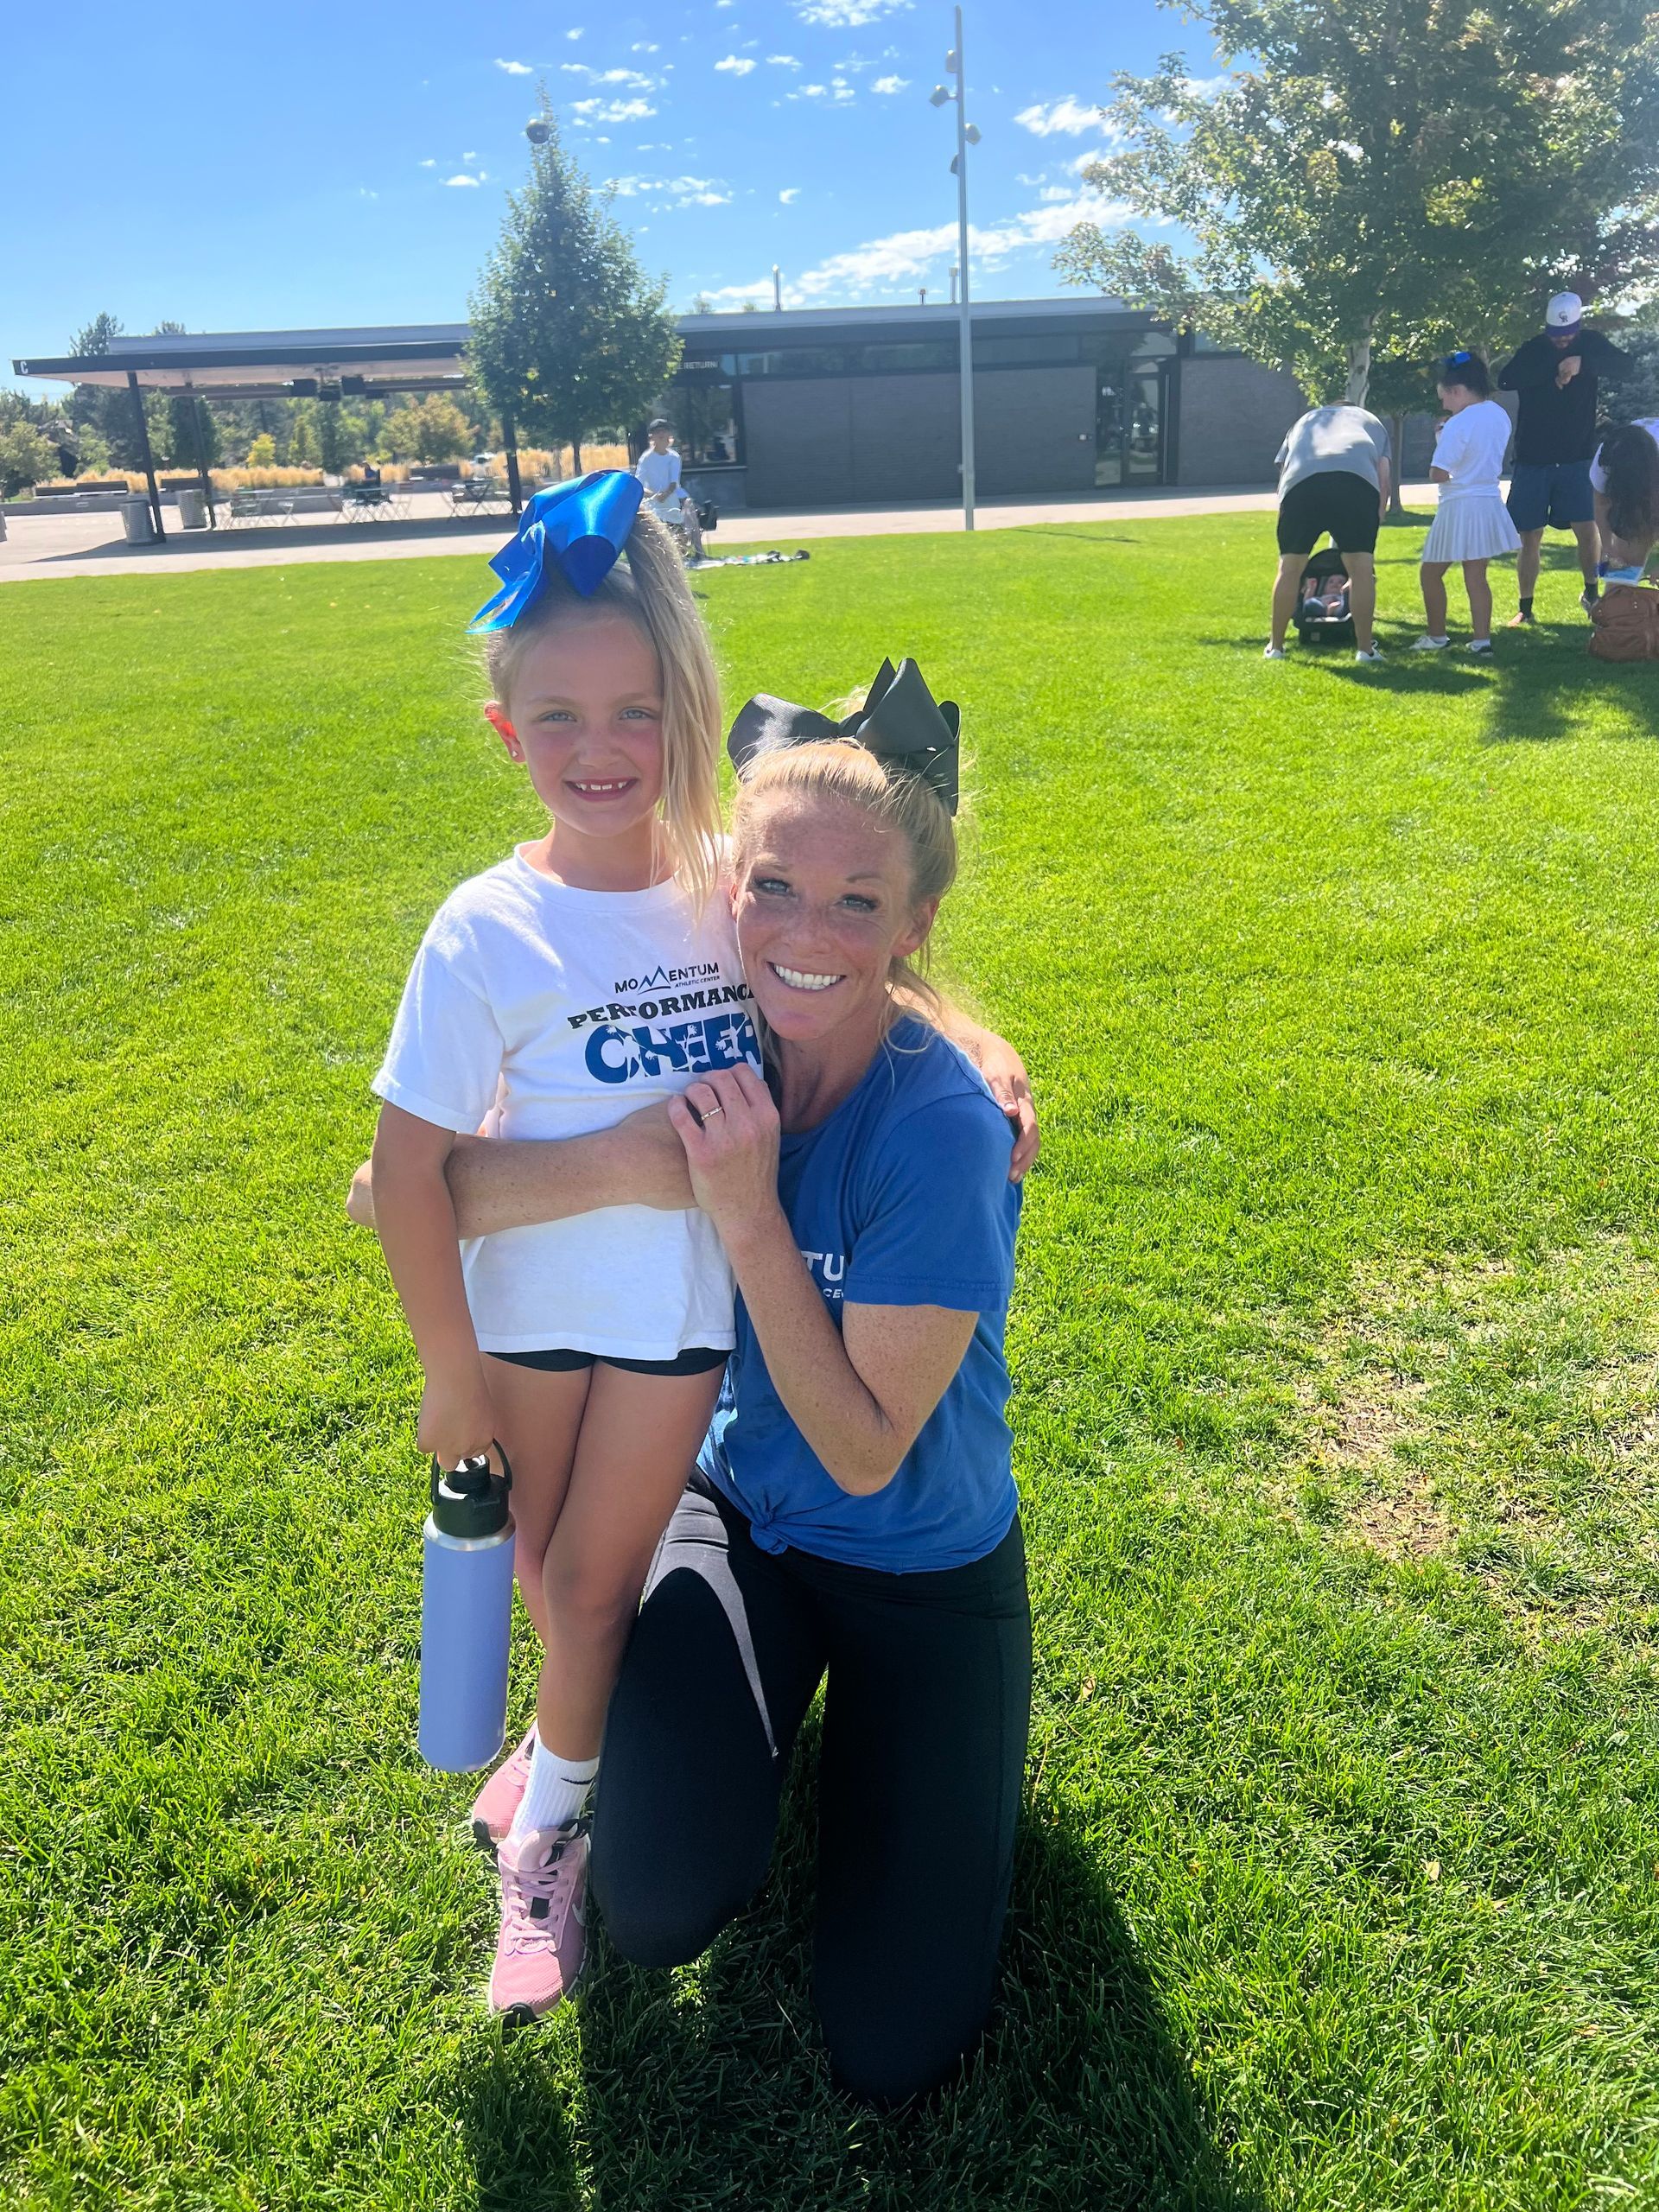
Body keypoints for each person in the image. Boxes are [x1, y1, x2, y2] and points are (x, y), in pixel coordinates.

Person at [351, 624, 1039, 2032]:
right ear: (725, 895)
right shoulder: (709, 1022)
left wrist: (747, 1210)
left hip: (919, 1555)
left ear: (914, 924)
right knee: (657, 1905)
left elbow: (859, 1452)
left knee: (889, 2039)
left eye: (859, 907)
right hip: (734, 1521)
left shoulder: (948, 1133)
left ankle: (885, 1761)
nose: (801, 934)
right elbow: (397, 1191)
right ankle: (636, 1760)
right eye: (769, 888)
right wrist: (615, 1164)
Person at [1498, 291, 1633, 624]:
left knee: (1587, 528)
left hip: (1576, 457)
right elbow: (1505, 379)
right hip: (1533, 459)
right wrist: (1552, 370)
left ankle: (1592, 594)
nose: (1562, 341)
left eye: (1568, 335)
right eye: (1556, 336)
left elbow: (1626, 367)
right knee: (1529, 535)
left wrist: (1583, 364)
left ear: (1578, 326)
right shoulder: (1534, 349)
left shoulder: (1591, 344)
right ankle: (1525, 609)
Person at [1265, 400, 1391, 662]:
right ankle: (1365, 651)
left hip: (1301, 487)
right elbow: (1384, 477)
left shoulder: (1304, 420)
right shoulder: (1371, 422)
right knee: (1361, 570)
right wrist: (1376, 514)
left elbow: (1284, 470)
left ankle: (1275, 648)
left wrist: (1285, 511)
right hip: (1356, 485)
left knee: (1289, 569)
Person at [1413, 353, 1520, 656]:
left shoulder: (1457, 425)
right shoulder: (1499, 414)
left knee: (1430, 573)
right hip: (1487, 501)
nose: (1444, 405)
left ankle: (1436, 636)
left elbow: (1439, 473)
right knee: (1476, 575)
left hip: (1459, 504)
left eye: (1444, 397)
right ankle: (1481, 641)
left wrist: (1441, 440)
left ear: (1457, 391)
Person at [1586, 422, 1659, 662]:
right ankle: (1618, 627)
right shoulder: (1605, 460)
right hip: (1641, 491)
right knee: (1623, 560)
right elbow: (1601, 503)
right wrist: (1607, 545)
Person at [635, 417, 704, 560]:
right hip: (653, 502)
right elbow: (639, 483)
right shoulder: (646, 458)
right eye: (657, 432)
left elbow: (674, 482)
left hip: (671, 499)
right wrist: (654, 495)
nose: (661, 434)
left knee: (687, 514)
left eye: (664, 431)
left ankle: (698, 551)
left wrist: (665, 495)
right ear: (652, 436)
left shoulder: (674, 457)